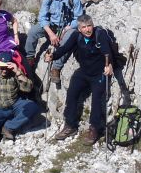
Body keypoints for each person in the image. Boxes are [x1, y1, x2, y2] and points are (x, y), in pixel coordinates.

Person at [46, 14, 113, 146]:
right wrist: (52, 56)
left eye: (89, 26)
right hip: (83, 71)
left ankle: (94, 129)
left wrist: (109, 65)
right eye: (84, 27)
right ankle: (70, 125)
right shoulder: (76, 36)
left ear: (92, 25)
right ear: (79, 29)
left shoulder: (100, 34)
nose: (88, 30)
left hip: (99, 73)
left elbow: (107, 52)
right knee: (72, 93)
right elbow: (64, 49)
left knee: (97, 99)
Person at [25, 0, 84, 82]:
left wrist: (66, 29)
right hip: (51, 25)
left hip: (67, 26)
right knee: (33, 32)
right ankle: (30, 58)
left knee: (68, 40)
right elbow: (42, 17)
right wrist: (51, 34)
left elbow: (79, 18)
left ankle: (56, 67)